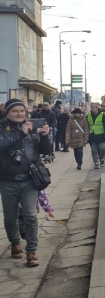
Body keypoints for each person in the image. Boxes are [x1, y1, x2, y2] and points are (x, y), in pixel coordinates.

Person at [0, 98, 52, 267]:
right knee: (10, 217)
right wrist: (21, 133)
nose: (19, 114)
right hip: (7, 181)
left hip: (29, 180)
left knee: (30, 215)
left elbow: (45, 151)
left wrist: (45, 136)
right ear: (7, 112)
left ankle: (31, 251)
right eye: (15, 111)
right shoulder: (2, 128)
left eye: (22, 111)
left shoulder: (32, 128)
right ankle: (15, 243)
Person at [86, 103, 105, 169]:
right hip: (92, 136)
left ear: (97, 108)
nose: (92, 109)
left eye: (93, 108)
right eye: (91, 108)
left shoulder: (103, 115)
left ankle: (101, 158)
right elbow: (86, 125)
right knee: (94, 150)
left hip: (101, 135)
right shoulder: (89, 115)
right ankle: (95, 162)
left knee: (102, 148)